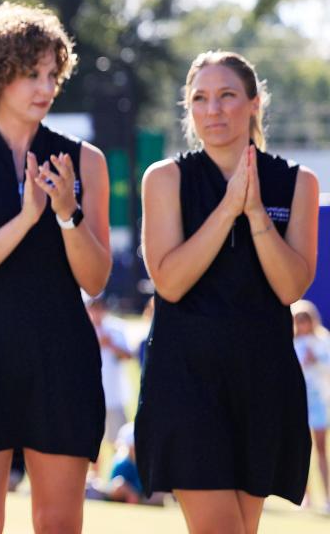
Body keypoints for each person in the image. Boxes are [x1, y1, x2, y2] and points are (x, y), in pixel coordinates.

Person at [0, 3, 111, 533]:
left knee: (59, 525)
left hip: (62, 354)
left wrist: (65, 214)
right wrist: (27, 217)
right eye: (32, 72)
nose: (45, 86)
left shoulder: (86, 160)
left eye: (54, 74)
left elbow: (96, 280)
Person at [135, 51, 318, 533]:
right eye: (200, 98)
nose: (212, 110)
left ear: (255, 103)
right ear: (188, 108)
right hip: (186, 380)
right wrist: (226, 209)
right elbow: (170, 282)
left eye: (227, 96)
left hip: (263, 381)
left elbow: (290, 286)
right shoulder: (165, 179)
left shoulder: (298, 183)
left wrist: (256, 212)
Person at [291, 299, 330, 512]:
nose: (302, 323)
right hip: (299, 403)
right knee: (301, 451)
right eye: (298, 319)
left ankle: (326, 496)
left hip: (319, 403)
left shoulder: (323, 341)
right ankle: (304, 496)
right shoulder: (291, 343)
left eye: (305, 319)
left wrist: (317, 360)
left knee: (322, 450)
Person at [85, 293, 133, 455]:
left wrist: (111, 345)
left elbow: (128, 356)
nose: (96, 312)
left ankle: (114, 475)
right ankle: (94, 479)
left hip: (114, 396)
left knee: (117, 444)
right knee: (90, 444)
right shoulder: (81, 329)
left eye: (99, 307)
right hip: (89, 397)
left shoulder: (116, 328)